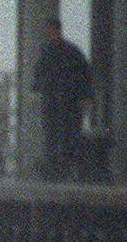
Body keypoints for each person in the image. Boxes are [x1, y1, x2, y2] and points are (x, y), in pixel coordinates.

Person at [32, 18, 93, 180]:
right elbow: (38, 74)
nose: (50, 34)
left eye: (52, 31)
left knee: (70, 136)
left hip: (70, 102)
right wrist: (36, 90)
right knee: (51, 135)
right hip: (51, 102)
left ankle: (69, 169)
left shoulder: (72, 52)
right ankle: (53, 170)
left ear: (58, 31)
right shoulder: (46, 52)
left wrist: (86, 96)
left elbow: (85, 74)